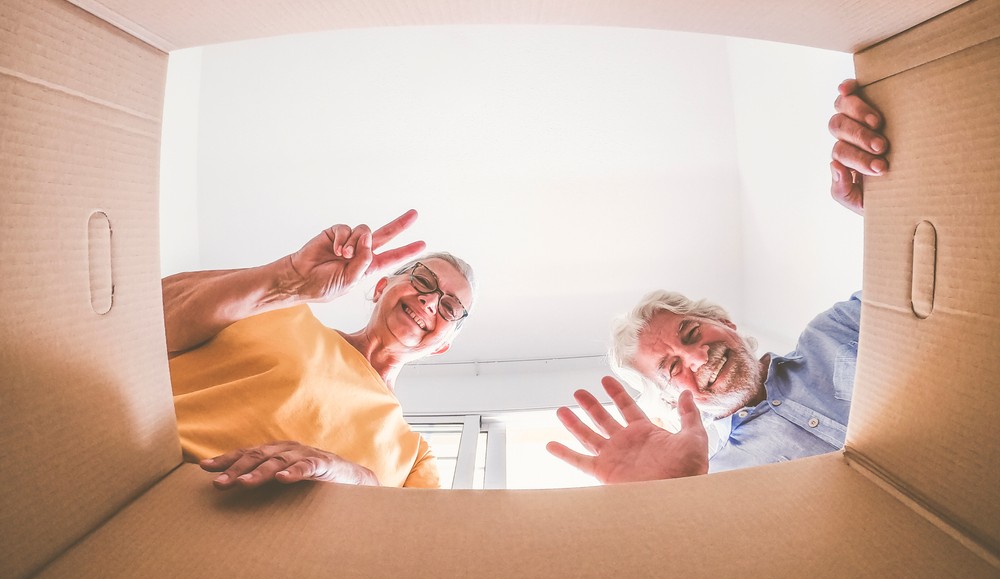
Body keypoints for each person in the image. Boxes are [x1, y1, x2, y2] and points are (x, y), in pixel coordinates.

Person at [547, 79, 888, 483]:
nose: (697, 357)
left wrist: (887, 209)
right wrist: (665, 508)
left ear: (724, 322)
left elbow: (925, 292)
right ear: (672, 402)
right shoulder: (713, 481)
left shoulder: (833, 331)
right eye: (672, 368)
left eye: (691, 333)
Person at [163, 209, 476, 489]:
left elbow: (409, 540)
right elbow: (144, 319)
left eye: (450, 307)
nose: (430, 300)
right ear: (381, 287)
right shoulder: (281, 308)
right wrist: (288, 281)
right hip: (143, 471)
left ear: (441, 347)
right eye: (422, 280)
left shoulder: (416, 458)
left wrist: (360, 479)